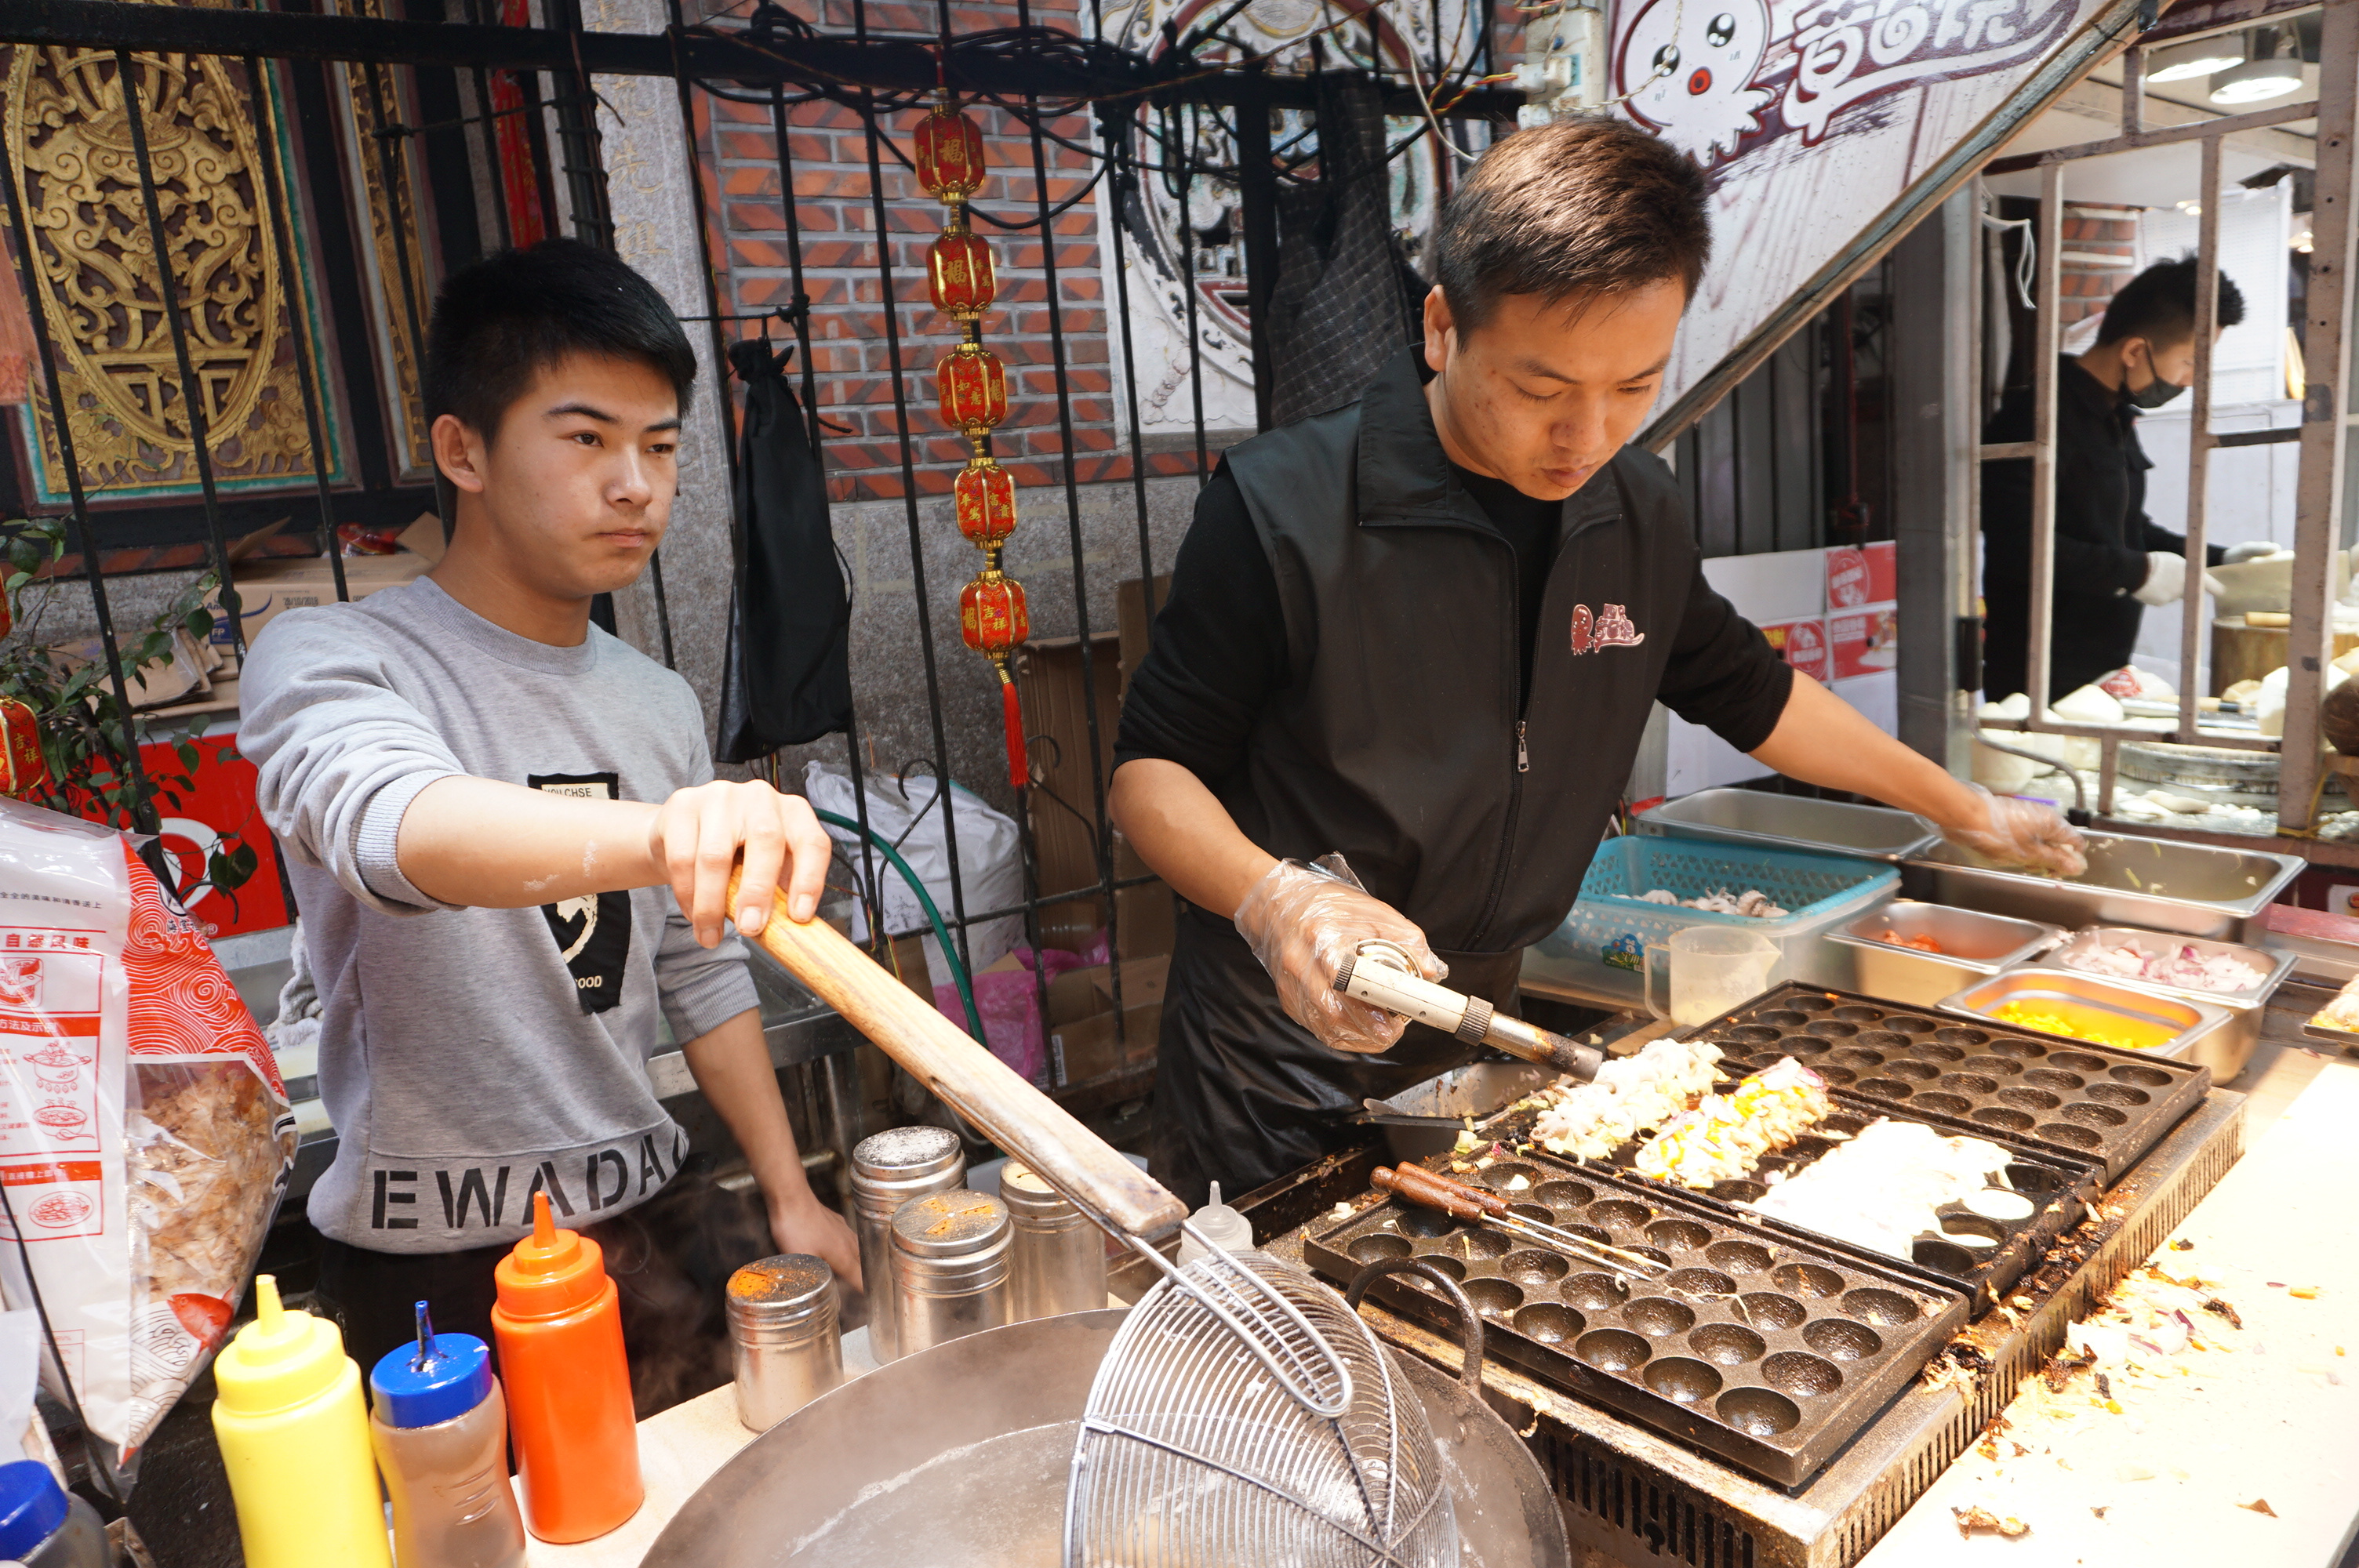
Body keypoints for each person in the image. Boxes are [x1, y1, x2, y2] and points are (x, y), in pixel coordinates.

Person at [1107, 120, 2088, 1208]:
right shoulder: (1282, 509)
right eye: (1540, 389)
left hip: (1482, 1027)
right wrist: (1278, 902)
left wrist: (1966, 809)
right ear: (1442, 328)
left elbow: (1753, 695)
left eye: (1635, 386)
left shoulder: (1637, 510)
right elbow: (1150, 773)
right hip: (1274, 1047)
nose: (1588, 434)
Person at [241, 239, 853, 1392]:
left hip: (646, 1211)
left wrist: (790, 1193)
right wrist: (671, 835)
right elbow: (399, 828)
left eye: (660, 446)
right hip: (432, 1259)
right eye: (587, 440)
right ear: (461, 450)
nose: (637, 485)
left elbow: (702, 971)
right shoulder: (333, 658)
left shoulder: (657, 700)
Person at [1981, 256, 2270, 703]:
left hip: (2103, 667)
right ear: (2135, 351)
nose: (2191, 381)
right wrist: (2137, 571)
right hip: (2036, 672)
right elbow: (2016, 546)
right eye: (2190, 362)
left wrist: (2218, 558)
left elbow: (2129, 527)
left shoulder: (2115, 416)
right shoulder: (2034, 421)